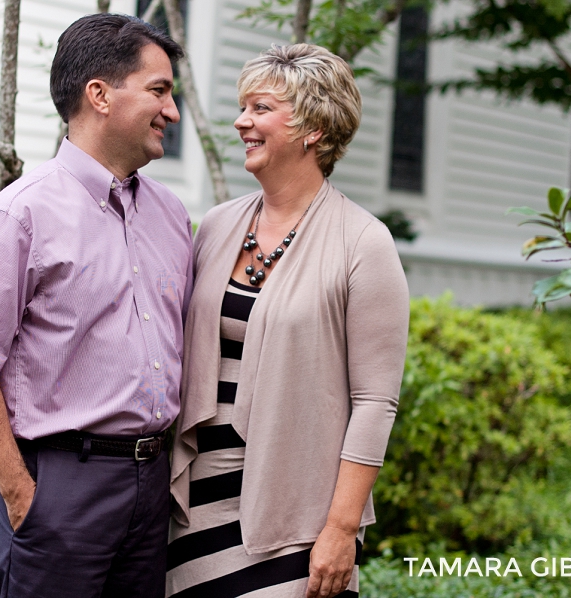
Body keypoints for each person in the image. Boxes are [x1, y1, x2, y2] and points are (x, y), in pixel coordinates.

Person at [0, 13, 193, 598]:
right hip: (59, 490)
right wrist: (21, 494)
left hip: (152, 488)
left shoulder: (172, 216)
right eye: (159, 90)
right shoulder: (20, 215)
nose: (172, 112)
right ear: (99, 95)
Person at [167, 44, 409, 598]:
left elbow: (375, 402)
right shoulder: (218, 225)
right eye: (242, 107)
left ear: (314, 130)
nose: (241, 122)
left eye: (260, 108)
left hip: (297, 515)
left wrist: (342, 529)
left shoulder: (364, 243)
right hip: (193, 507)